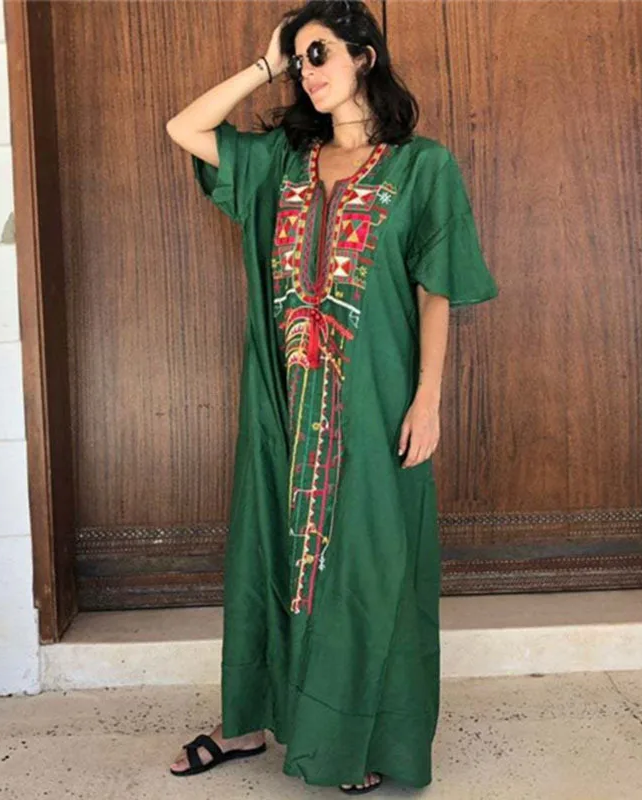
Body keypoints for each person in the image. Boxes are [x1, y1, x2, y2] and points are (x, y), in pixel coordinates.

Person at [165, 0, 498, 794]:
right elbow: (185, 127)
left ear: (364, 56)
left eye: (319, 53)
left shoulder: (422, 168)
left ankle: (358, 739)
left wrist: (428, 398)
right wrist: (267, 63)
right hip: (284, 408)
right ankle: (248, 721)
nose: (306, 73)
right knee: (271, 554)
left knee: (368, 568)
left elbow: (435, 291)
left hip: (375, 401)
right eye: (298, 60)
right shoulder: (282, 165)